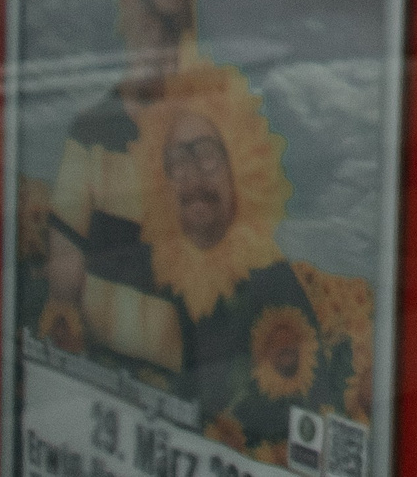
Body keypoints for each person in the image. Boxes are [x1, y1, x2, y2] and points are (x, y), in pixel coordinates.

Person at [136, 58, 340, 461]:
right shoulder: (155, 275)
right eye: (177, 160)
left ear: (241, 167)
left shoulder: (273, 283)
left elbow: (315, 429)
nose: (192, 176)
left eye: (206, 154)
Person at [39, 0, 200, 377]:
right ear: (125, 14)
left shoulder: (200, 144)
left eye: (173, 22)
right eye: (147, 10)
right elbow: (66, 258)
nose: (157, 34)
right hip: (93, 370)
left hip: (176, 387)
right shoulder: (90, 132)